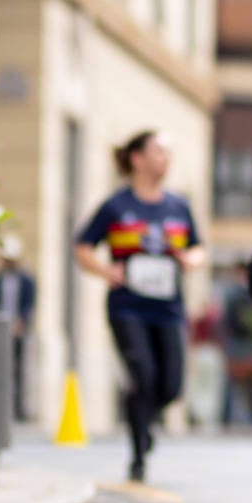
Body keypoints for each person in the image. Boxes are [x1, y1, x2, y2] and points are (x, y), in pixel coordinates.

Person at [74, 131, 205, 482]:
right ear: (137, 158)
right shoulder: (116, 206)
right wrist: (105, 271)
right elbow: (83, 247)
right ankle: (138, 452)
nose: (165, 159)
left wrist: (190, 259)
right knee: (142, 374)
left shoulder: (178, 206)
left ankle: (146, 420)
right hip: (128, 306)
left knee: (171, 385)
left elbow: (197, 247)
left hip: (169, 308)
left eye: (167, 153)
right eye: (159, 152)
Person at [0, 236, 37, 421]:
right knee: (0, 367)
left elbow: (29, 304)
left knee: (19, 368)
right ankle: (1, 405)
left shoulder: (27, 280)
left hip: (19, 329)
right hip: (0, 328)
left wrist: (21, 322)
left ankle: (19, 408)